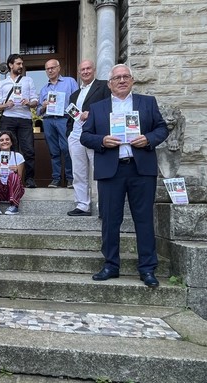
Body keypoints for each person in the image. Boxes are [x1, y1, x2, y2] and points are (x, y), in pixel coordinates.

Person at [80, 64, 169, 288]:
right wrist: (102, 141)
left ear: (132, 80)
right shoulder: (98, 107)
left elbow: (162, 129)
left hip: (141, 170)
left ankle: (147, 268)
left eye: (125, 77)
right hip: (112, 170)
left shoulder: (147, 103)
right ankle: (111, 265)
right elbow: (85, 136)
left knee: (144, 220)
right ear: (109, 84)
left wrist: (148, 139)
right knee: (110, 220)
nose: (121, 80)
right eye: (117, 78)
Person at [66, 60, 111, 216]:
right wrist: (69, 133)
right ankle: (82, 205)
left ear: (94, 70)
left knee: (98, 171)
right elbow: (71, 116)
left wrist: (91, 114)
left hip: (94, 135)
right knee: (78, 172)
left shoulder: (104, 86)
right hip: (76, 136)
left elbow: (110, 107)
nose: (85, 72)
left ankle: (103, 207)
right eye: (82, 69)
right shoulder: (74, 94)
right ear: (79, 73)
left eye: (88, 69)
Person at [0, 54, 38, 189]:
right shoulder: (2, 84)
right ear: (10, 65)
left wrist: (29, 103)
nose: (21, 66)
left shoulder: (28, 80)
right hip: (8, 118)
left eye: (21, 64)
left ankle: (29, 179)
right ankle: (6, 179)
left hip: (25, 119)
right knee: (7, 149)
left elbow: (35, 101)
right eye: (18, 64)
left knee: (28, 150)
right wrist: (6, 105)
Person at [38, 59, 79, 188]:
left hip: (64, 119)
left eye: (52, 67)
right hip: (49, 120)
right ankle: (56, 178)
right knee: (53, 151)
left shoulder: (70, 82)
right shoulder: (44, 89)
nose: (50, 70)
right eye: (47, 69)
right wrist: (44, 106)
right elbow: (38, 111)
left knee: (67, 148)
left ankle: (70, 178)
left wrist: (77, 119)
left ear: (58, 68)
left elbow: (77, 100)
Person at [0, 131, 25, 215]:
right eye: (1, 140)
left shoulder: (18, 156)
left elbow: (20, 178)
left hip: (12, 190)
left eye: (7, 139)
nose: (5, 142)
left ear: (11, 142)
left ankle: (14, 205)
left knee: (14, 176)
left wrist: (16, 170)